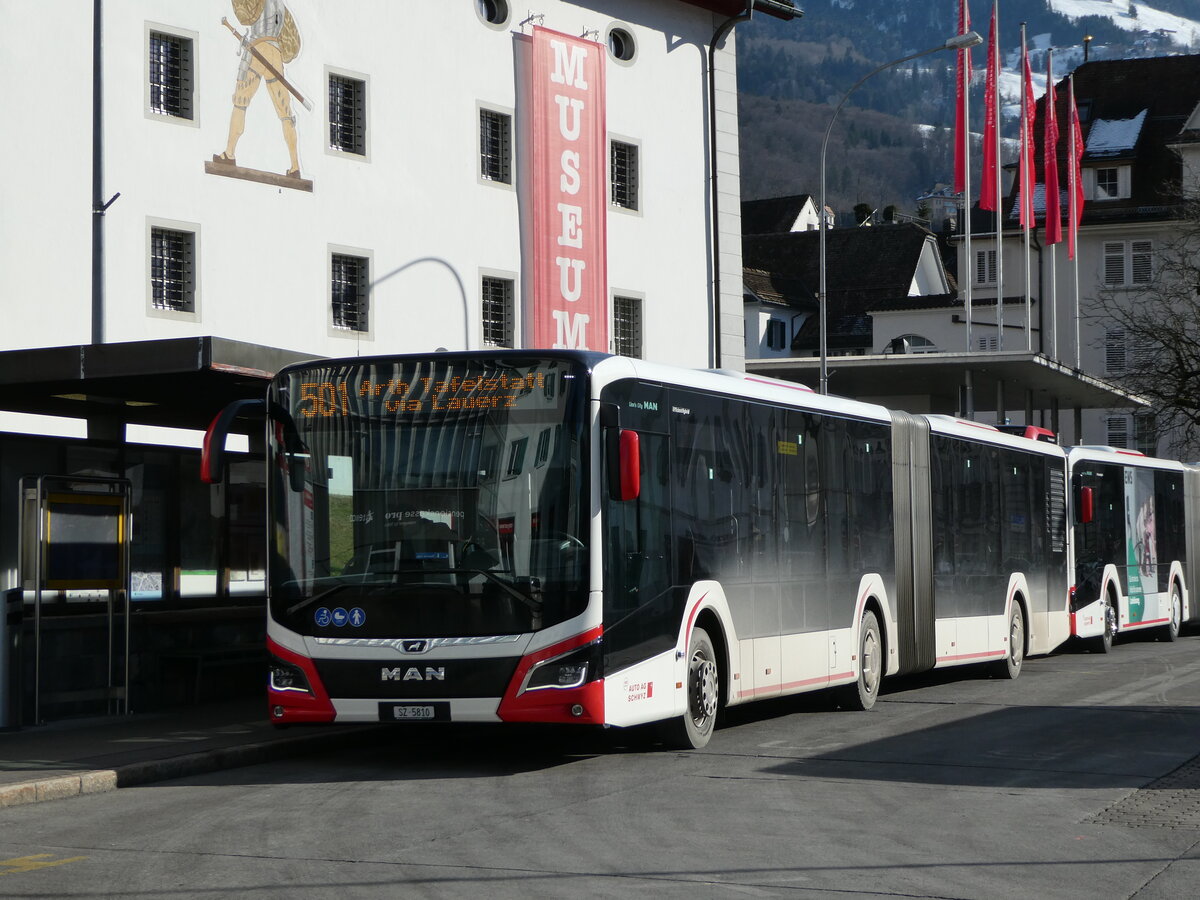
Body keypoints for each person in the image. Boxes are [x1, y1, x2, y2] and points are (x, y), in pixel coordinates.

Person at [212, 0, 302, 177]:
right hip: (275, 53)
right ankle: (295, 166)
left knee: (240, 101)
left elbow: (245, 17)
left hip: (257, 48)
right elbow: (292, 44)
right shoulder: (281, 7)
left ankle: (229, 153)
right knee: (285, 111)